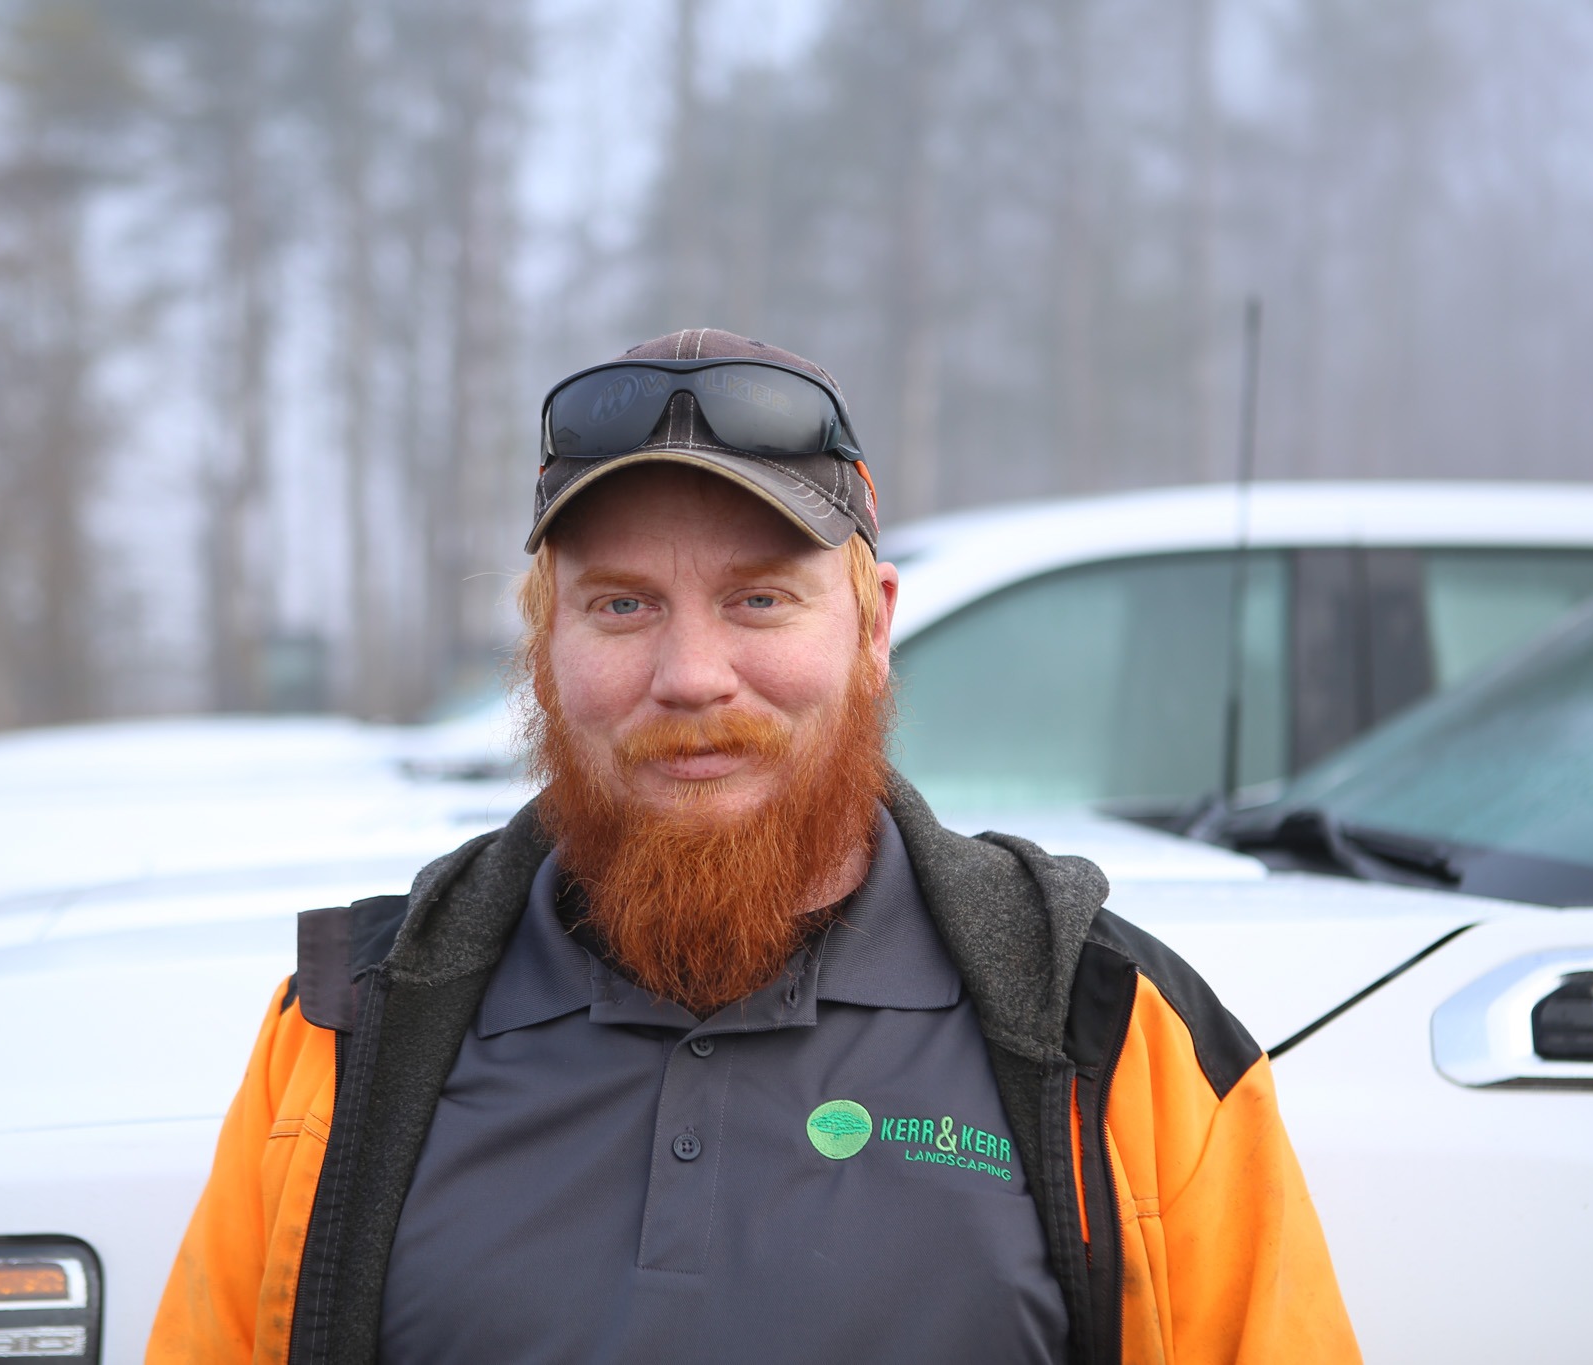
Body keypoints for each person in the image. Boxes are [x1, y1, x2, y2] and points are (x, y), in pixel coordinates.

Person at [148, 328, 1361, 1365]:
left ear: (872, 626)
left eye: (759, 600)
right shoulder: (348, 1035)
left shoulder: (1111, 1033)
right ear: (541, 644)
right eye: (620, 605)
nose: (690, 677)